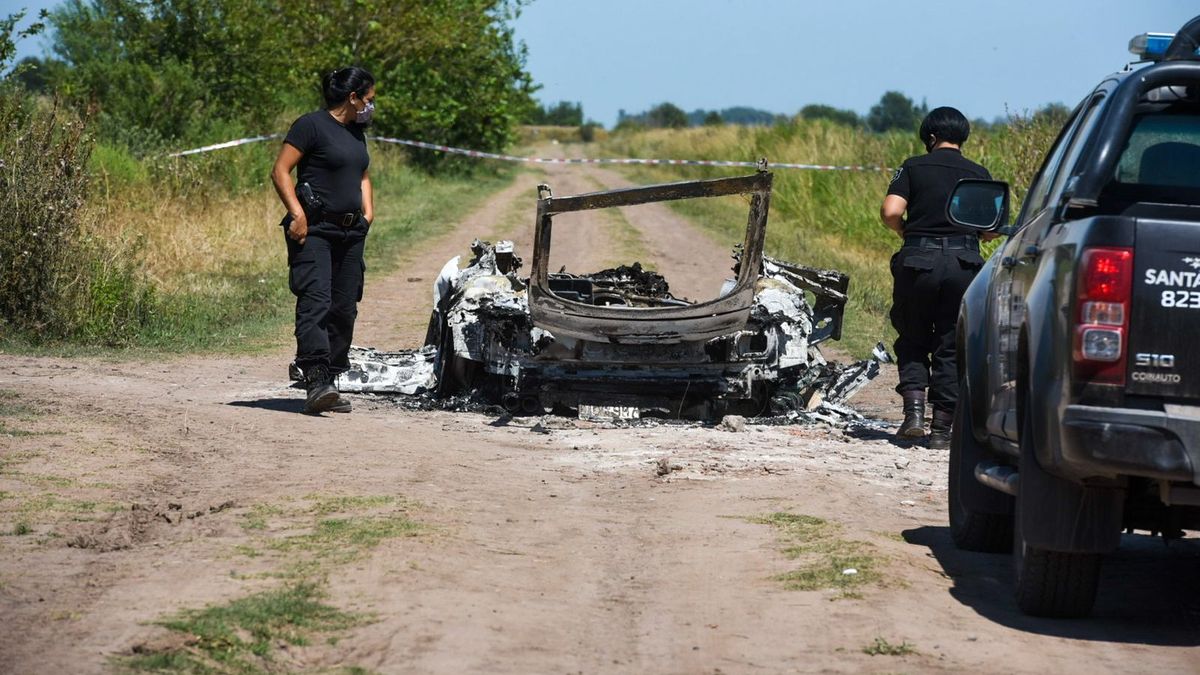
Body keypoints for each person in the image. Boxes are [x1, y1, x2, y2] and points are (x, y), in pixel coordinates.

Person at [879, 107, 991, 448]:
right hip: (963, 264)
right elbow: (988, 230)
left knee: (912, 336)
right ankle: (942, 431)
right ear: (962, 137)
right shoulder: (979, 174)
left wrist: (906, 233)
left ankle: (913, 415)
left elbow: (891, 211)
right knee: (950, 344)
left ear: (930, 137)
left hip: (919, 261)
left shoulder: (913, 166)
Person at [271, 67, 376, 414]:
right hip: (314, 231)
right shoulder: (310, 125)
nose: (371, 106)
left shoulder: (356, 132)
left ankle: (331, 379)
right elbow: (280, 170)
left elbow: (362, 173)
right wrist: (297, 214)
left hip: (351, 232)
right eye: (369, 99)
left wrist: (368, 211)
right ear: (353, 97)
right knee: (316, 301)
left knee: (344, 307)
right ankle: (315, 380)